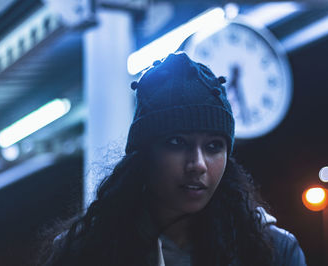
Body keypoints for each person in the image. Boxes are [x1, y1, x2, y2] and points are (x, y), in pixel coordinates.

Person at [40, 52, 306, 266]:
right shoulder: (84, 252)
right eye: (177, 143)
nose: (198, 164)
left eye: (214, 146)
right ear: (143, 153)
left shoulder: (271, 252)